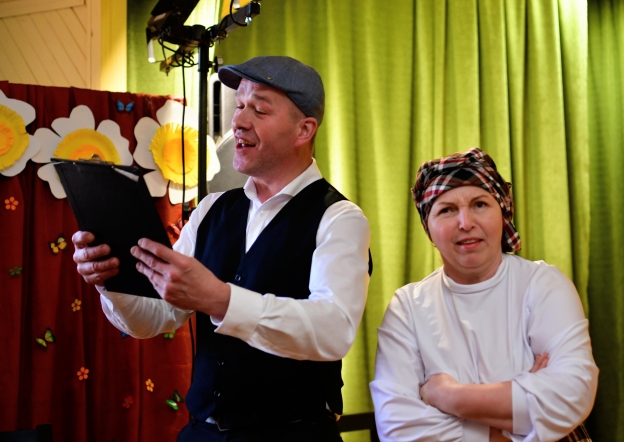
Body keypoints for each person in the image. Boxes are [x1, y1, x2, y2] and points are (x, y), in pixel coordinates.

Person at [72, 56, 371, 441]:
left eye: (259, 110)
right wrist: (112, 280)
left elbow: (333, 330)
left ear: (304, 129)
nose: (239, 121)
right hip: (202, 434)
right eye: (240, 105)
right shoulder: (212, 209)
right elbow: (157, 315)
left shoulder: (339, 218)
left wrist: (220, 299)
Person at [370, 148, 598, 442]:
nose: (465, 223)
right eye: (446, 210)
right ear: (428, 230)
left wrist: (447, 395)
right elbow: (397, 428)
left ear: (503, 215)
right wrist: (518, 410)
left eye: (479, 204)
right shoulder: (407, 307)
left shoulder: (542, 284)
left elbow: (572, 395)